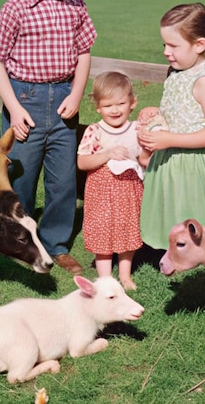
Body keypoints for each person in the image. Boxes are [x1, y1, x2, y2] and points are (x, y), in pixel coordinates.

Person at [0, 0, 97, 275]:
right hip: (26, 100)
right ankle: (13, 242)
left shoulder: (76, 4)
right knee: (20, 178)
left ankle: (56, 244)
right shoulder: (15, 8)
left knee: (63, 180)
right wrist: (15, 109)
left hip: (64, 99)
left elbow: (84, 53)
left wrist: (77, 94)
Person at [138, 3, 205, 323]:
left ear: (199, 45)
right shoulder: (177, 73)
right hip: (172, 167)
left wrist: (169, 140)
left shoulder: (203, 82)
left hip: (194, 167)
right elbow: (177, 112)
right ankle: (178, 264)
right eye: (164, 44)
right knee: (179, 228)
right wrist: (155, 114)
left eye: (173, 46)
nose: (167, 52)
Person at [77, 71, 147, 290]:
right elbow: (82, 162)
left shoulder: (136, 129)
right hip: (101, 192)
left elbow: (145, 156)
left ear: (132, 103)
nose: (115, 110)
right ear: (98, 107)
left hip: (129, 189)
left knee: (128, 230)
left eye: (121, 104)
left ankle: (125, 275)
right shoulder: (95, 131)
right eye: (108, 106)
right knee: (103, 234)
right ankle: (105, 278)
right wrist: (107, 154)